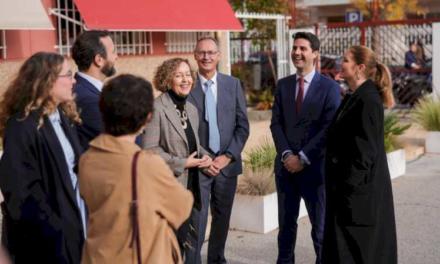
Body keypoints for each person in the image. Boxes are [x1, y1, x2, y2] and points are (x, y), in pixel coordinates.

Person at [79, 74, 194, 263]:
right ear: (148, 117)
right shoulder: (146, 164)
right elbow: (182, 206)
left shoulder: (87, 159)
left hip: (97, 254)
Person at [0, 52, 86, 263]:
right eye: (68, 75)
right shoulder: (21, 126)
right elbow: (20, 191)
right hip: (46, 245)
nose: (74, 80)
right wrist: (54, 228)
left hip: (72, 233)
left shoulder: (63, 117)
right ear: (47, 81)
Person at [322, 45, 397, 264]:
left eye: (345, 60)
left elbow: (366, 153)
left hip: (356, 198)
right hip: (346, 194)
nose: (340, 64)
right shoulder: (355, 96)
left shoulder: (368, 100)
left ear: (359, 68)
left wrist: (347, 188)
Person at [270, 32, 341, 264]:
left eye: (303, 48)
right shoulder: (283, 85)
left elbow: (329, 128)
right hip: (285, 169)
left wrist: (303, 156)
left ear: (315, 54)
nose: (297, 52)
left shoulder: (329, 88)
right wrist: (288, 155)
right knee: (286, 229)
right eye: (295, 48)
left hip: (315, 170)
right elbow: (276, 124)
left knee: (320, 230)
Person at [142, 58, 212, 261]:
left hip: (193, 190)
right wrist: (183, 163)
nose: (185, 80)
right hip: (169, 191)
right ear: (167, 79)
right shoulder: (156, 108)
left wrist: (206, 158)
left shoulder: (191, 109)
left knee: (191, 248)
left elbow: (194, 146)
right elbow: (149, 150)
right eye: (179, 75)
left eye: (188, 74)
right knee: (170, 251)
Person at [188, 36, 250, 264]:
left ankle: (216, 260)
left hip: (227, 166)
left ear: (219, 55)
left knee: (222, 221)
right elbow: (183, 129)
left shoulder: (232, 84)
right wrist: (206, 159)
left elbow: (243, 126)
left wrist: (227, 157)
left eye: (211, 52)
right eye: (202, 52)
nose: (206, 57)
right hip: (198, 167)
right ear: (195, 55)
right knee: (197, 221)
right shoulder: (187, 86)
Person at [71, 30, 118, 149]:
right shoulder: (88, 100)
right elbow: (119, 141)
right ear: (99, 60)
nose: (116, 57)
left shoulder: (84, 90)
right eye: (113, 52)